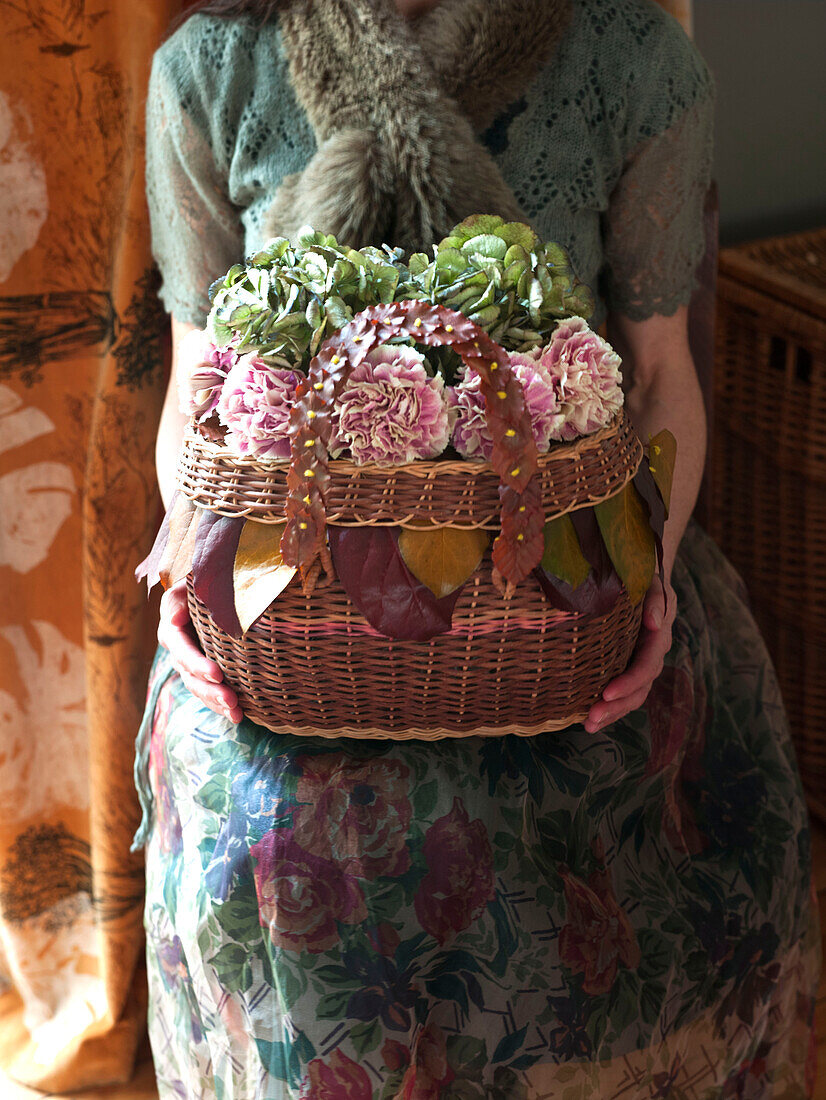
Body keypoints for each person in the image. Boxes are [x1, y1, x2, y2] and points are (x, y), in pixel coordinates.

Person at [136, 0, 820, 1096]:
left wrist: (646, 576)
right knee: (258, 823)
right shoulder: (213, 70)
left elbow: (656, 378)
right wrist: (190, 556)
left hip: (559, 577)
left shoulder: (629, 61)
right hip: (297, 606)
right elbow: (198, 386)